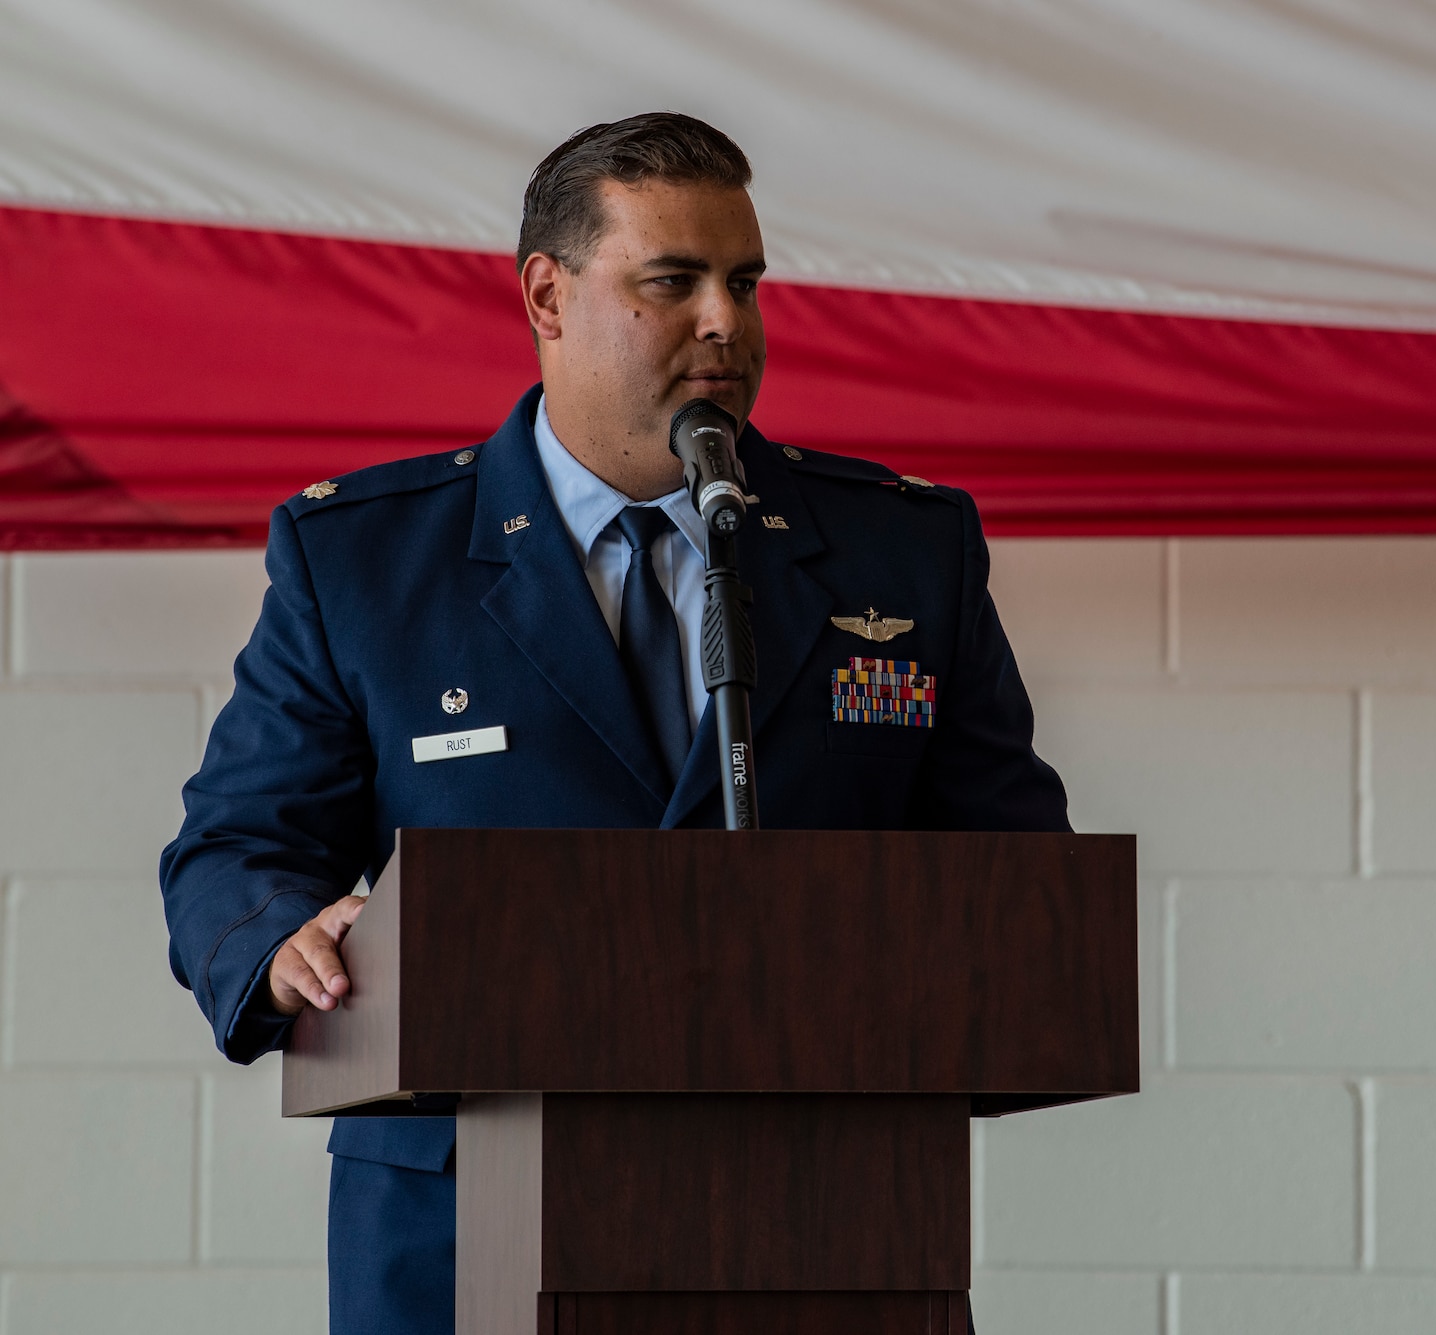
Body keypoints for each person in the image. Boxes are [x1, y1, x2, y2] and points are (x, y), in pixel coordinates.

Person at [159, 112, 1067, 1335]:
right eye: (672, 282)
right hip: (461, 1248)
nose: (723, 325)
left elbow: (1018, 891)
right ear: (546, 294)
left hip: (822, 1235)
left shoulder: (903, 552)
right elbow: (234, 850)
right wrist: (281, 942)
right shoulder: (367, 561)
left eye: (743, 284)